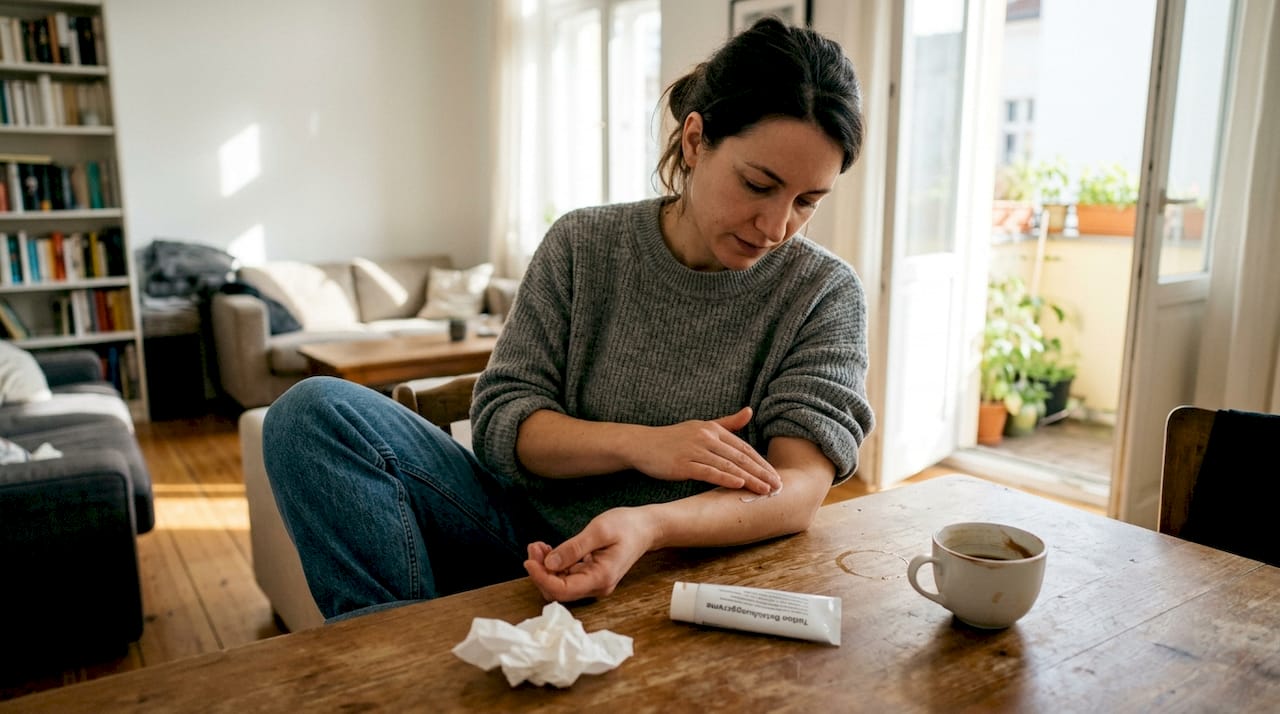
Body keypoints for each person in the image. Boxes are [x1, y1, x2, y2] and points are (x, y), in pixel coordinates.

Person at [263, 16, 875, 620]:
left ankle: (397, 654)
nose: (777, 227)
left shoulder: (822, 293)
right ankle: (391, 656)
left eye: (806, 201)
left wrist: (649, 525)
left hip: (690, 564)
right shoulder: (584, 244)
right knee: (311, 412)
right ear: (695, 141)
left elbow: (798, 489)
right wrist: (646, 446)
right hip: (515, 535)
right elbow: (502, 424)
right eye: (758, 184)